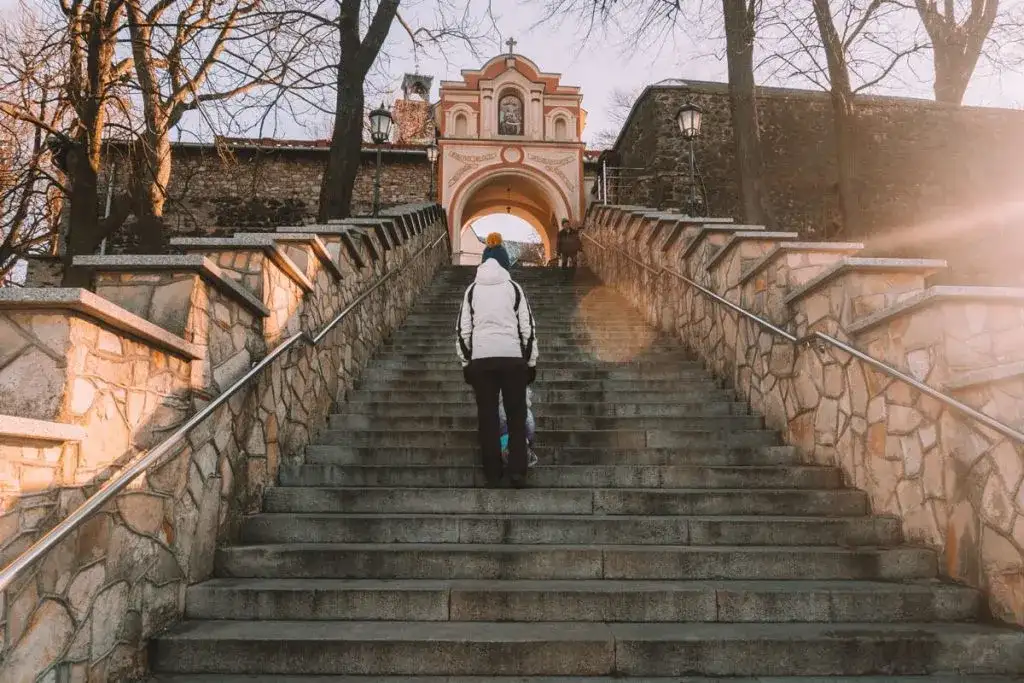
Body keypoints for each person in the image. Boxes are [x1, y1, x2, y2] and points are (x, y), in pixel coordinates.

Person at [457, 237, 538, 488]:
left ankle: (492, 473)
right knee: (516, 416)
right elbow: (528, 328)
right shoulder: (514, 288)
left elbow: (462, 330)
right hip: (512, 359)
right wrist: (531, 362)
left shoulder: (472, 290)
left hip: (482, 360)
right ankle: (517, 471)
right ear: (505, 264)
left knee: (488, 417)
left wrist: (466, 362)